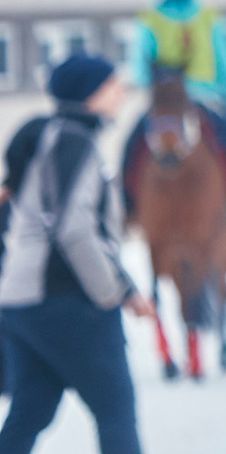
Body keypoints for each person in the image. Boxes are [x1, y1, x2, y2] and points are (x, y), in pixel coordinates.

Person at [0, 55, 151, 454]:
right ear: (90, 93)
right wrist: (111, 294)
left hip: (21, 301)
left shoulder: (52, 137)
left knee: (31, 411)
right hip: (65, 300)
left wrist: (127, 289)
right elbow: (74, 230)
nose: (122, 91)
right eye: (113, 84)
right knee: (116, 411)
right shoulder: (74, 142)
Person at [121, 0, 226, 234]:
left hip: (203, 96)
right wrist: (155, 80)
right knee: (133, 145)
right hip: (165, 100)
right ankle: (129, 207)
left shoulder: (209, 16)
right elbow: (139, 62)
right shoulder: (150, 17)